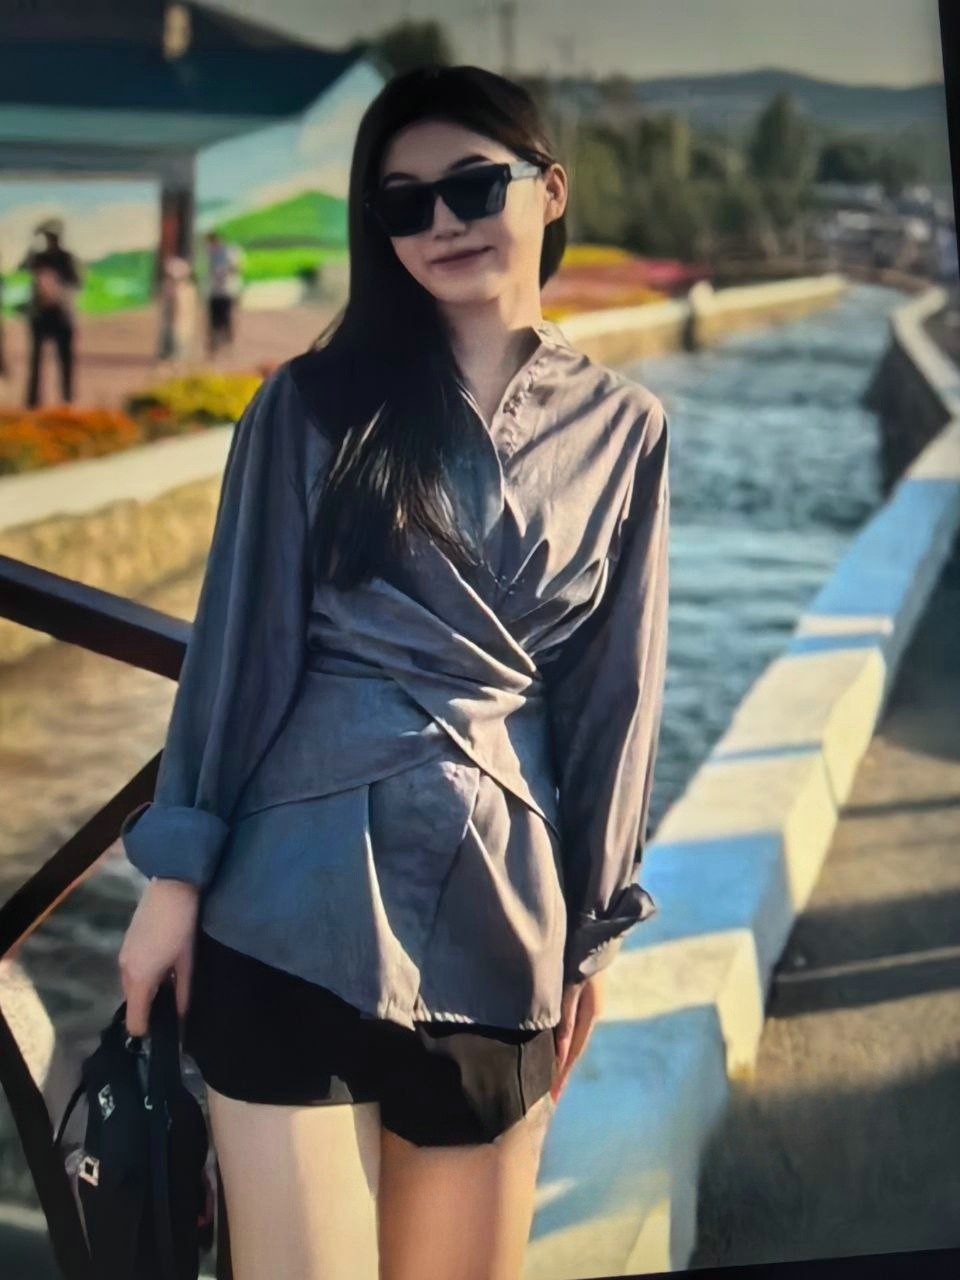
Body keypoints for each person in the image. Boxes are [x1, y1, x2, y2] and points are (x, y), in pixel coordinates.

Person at [116, 64, 670, 1280]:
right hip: (288, 908)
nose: (442, 223)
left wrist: (598, 929)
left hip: (499, 927)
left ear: (550, 189)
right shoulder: (311, 405)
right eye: (404, 203)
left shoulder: (626, 427)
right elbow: (237, 655)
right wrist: (172, 884)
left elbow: (616, 700)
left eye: (472, 185)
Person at [18, 218, 83, 407]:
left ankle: (66, 400)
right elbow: (22, 267)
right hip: (41, 314)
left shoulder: (65, 258)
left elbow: (76, 281)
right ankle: (33, 402)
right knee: (36, 361)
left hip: (60, 315)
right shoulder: (38, 257)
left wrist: (59, 289)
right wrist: (32, 243)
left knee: (65, 360)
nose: (49, 240)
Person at [203, 229, 243, 356]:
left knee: (227, 320)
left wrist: (225, 272)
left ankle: (229, 346)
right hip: (214, 292)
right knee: (213, 322)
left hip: (227, 291)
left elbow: (237, 267)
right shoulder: (210, 253)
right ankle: (214, 348)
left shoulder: (230, 251)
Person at [155, 252, 198, 369]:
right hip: (170, 321)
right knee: (169, 335)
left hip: (181, 322)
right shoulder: (167, 287)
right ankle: (168, 356)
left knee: (180, 336)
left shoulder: (187, 289)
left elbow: (186, 309)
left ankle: (177, 359)